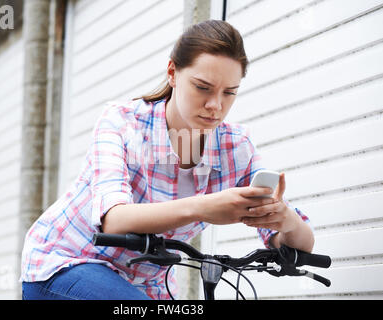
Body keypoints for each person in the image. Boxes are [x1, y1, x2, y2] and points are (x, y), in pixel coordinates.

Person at [20, 19, 314, 300]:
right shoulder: (123, 122)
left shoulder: (236, 147)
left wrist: (285, 219)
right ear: (172, 73)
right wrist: (203, 207)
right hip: (66, 262)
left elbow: (303, 244)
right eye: (203, 87)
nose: (216, 105)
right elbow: (114, 219)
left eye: (229, 93)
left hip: (146, 283)